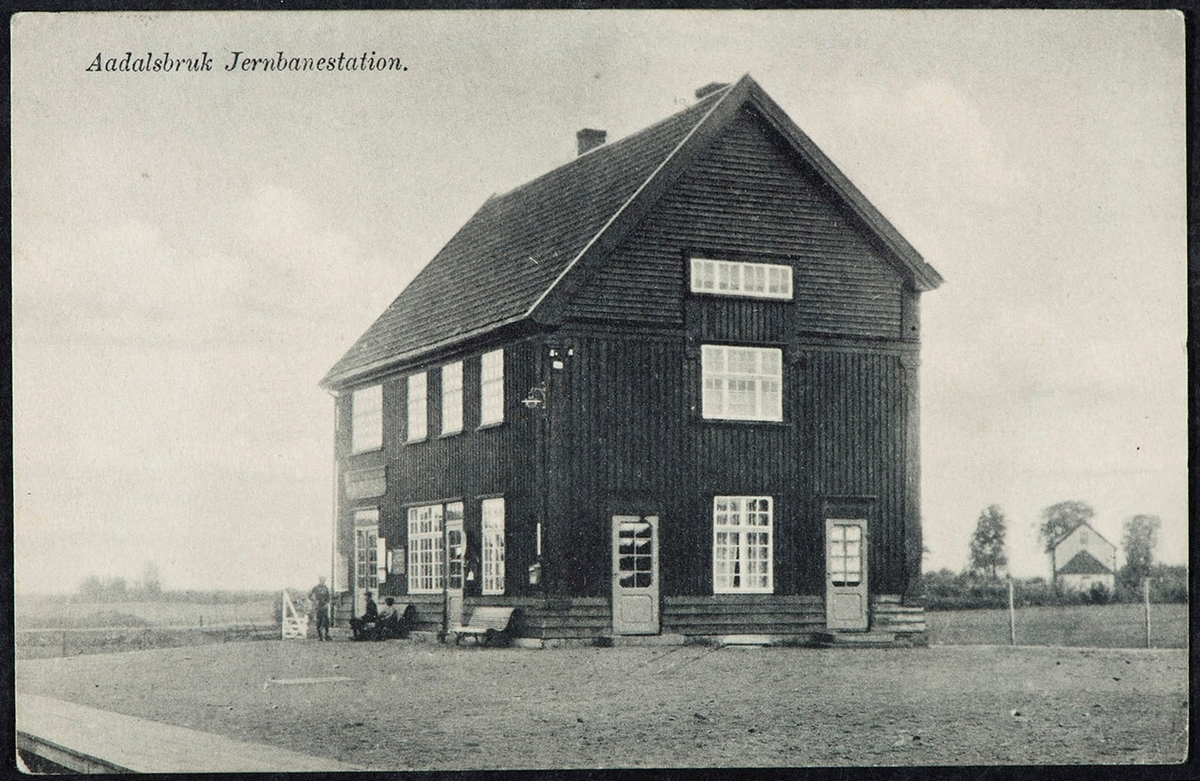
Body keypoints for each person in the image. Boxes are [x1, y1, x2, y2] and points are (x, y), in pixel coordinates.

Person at [308, 576, 331, 641]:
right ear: (319, 580)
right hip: (318, 606)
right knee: (319, 621)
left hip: (325, 606)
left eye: (323, 580)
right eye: (321, 580)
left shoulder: (326, 588)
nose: (322, 581)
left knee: (326, 620)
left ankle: (327, 635)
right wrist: (315, 600)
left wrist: (327, 603)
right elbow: (309, 595)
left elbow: (329, 597)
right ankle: (320, 636)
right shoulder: (316, 588)